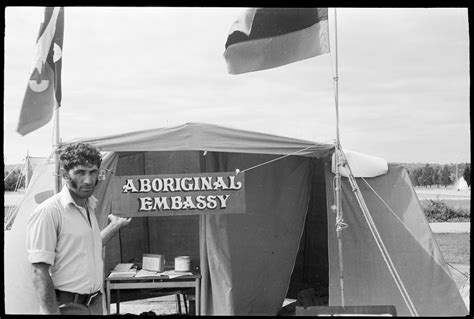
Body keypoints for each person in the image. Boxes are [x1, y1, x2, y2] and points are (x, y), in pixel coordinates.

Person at [26, 142, 132, 315]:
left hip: (95, 303)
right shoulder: (50, 212)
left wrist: (114, 226)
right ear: (64, 175)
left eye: (93, 172)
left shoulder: (88, 206)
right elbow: (39, 271)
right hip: (67, 307)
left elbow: (90, 245)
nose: (88, 180)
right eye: (80, 172)